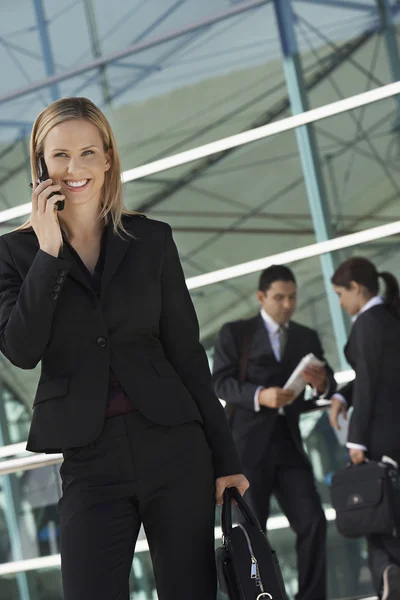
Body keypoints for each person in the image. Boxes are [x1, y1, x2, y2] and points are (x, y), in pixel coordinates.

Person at [0, 97, 248, 600]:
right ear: (41, 164)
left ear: (108, 158)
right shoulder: (16, 253)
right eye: (61, 155)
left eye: (88, 152)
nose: (75, 168)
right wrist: (49, 251)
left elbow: (187, 355)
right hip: (90, 460)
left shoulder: (151, 240)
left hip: (175, 446)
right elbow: (21, 350)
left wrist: (227, 460)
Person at [213, 264, 336, 600]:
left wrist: (323, 384)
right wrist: (259, 395)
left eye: (292, 297)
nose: (287, 304)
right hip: (246, 449)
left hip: (289, 446)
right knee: (254, 533)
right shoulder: (236, 333)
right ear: (261, 297)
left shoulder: (305, 337)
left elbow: (327, 385)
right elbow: (220, 381)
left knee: (312, 521)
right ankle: (261, 595)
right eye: (279, 297)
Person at [329, 257, 400, 600]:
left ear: (356, 289)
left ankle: (390, 578)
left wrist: (355, 440)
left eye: (341, 294)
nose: (340, 302)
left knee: (381, 513)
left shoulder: (368, 322)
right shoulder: (388, 316)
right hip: (393, 429)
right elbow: (374, 375)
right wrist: (343, 395)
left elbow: (370, 382)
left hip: (382, 434)